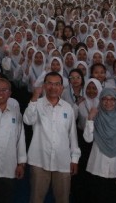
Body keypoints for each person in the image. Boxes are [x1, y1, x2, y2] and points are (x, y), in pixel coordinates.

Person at [23, 71, 79, 202]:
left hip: (62, 161)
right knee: (36, 198)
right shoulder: (37, 104)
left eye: (57, 84)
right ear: (44, 85)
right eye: (49, 84)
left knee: (62, 199)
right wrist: (34, 97)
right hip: (39, 160)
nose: (53, 87)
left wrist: (74, 159)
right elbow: (27, 120)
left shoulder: (67, 108)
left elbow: (72, 136)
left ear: (62, 88)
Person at [83, 88, 116, 203]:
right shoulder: (96, 117)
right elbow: (88, 139)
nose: (108, 102)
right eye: (105, 99)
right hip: (97, 168)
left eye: (112, 99)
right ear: (100, 100)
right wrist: (90, 119)